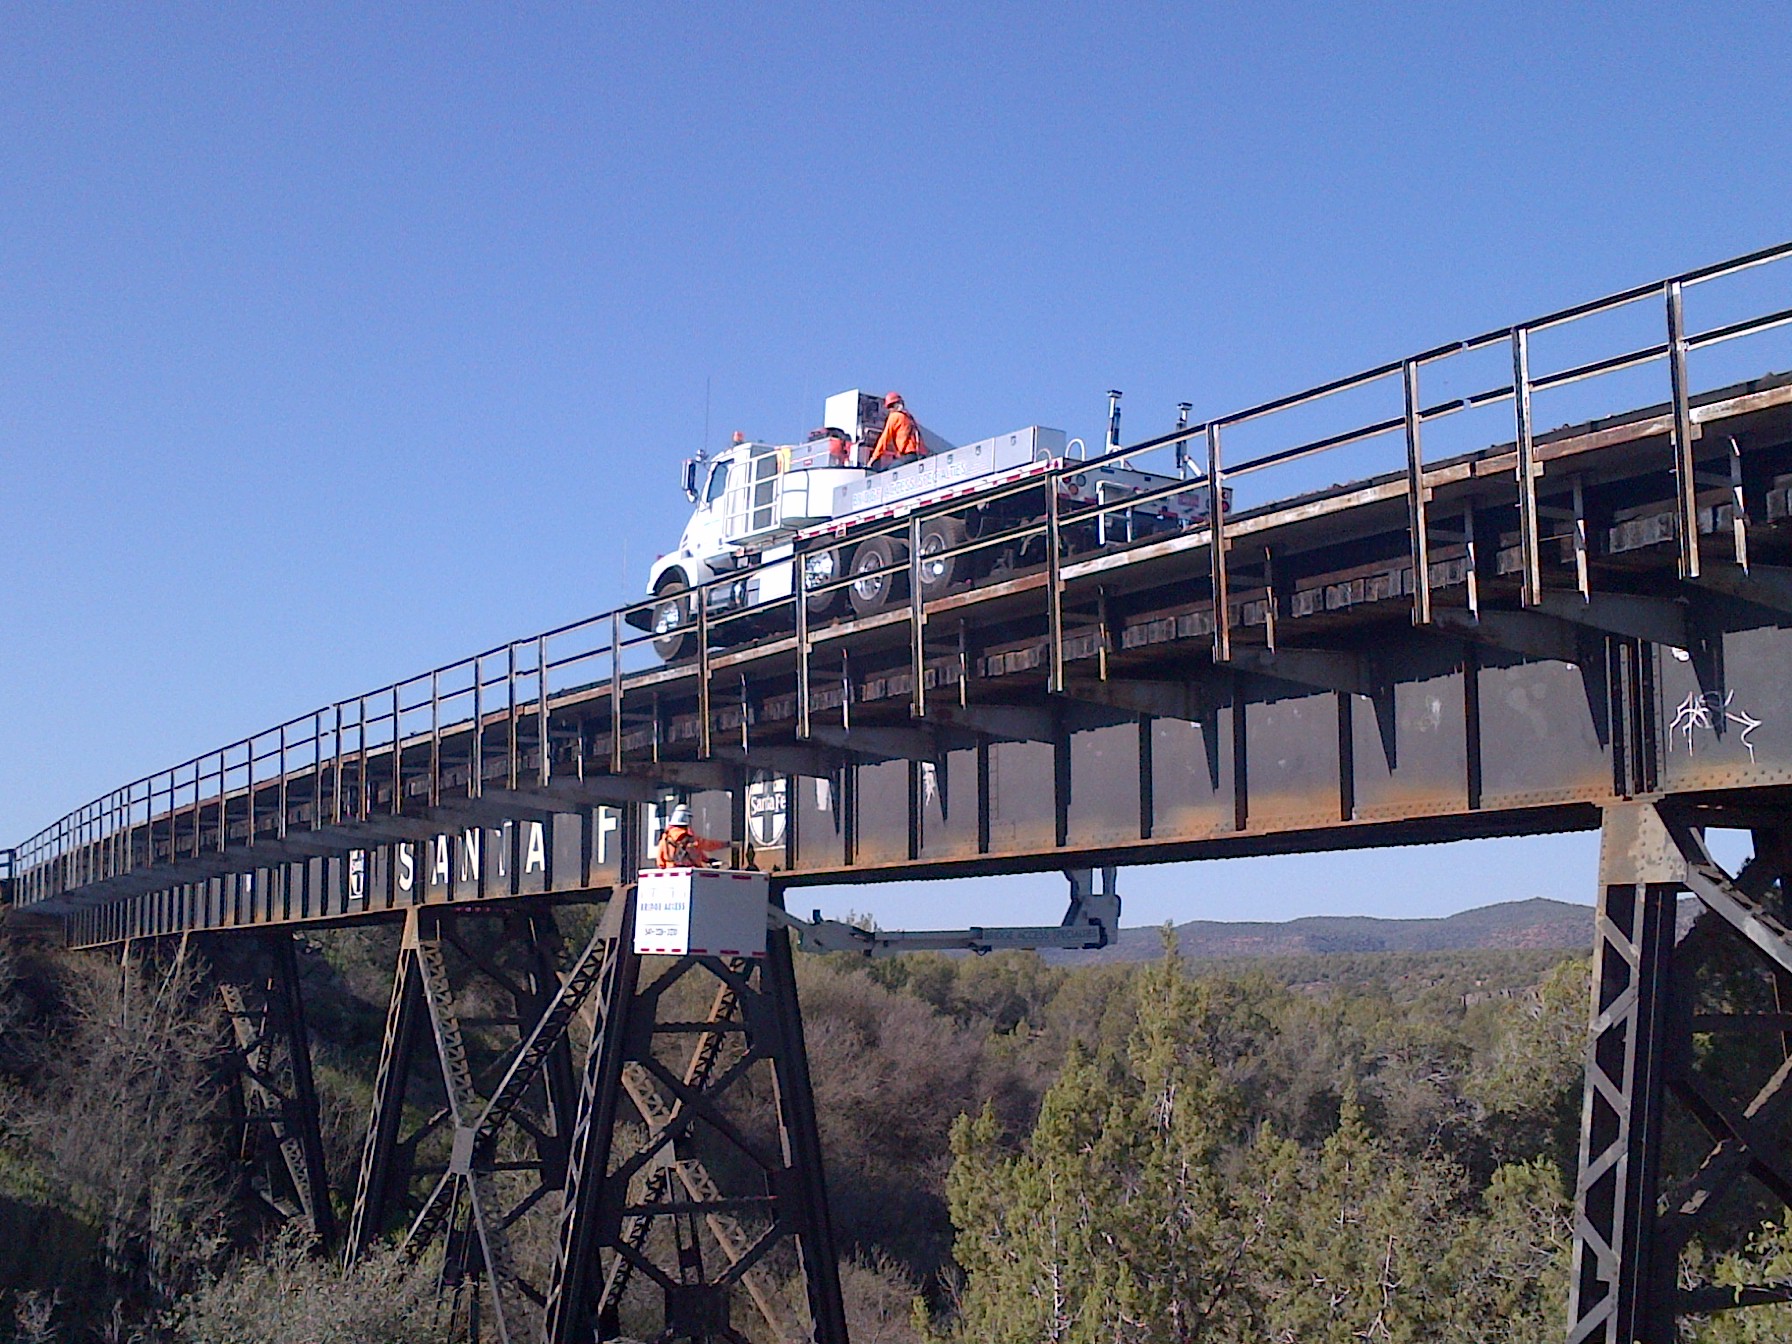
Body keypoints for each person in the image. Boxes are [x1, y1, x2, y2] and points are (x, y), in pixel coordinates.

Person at [867, 391, 927, 471]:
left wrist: (873, 458)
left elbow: (884, 439)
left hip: (908, 456)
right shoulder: (908, 417)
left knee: (886, 473)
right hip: (919, 456)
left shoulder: (894, 417)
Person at [656, 804, 728, 869]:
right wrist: (726, 844)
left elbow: (660, 860)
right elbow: (708, 845)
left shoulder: (665, 838)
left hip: (670, 872)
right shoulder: (690, 839)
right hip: (690, 872)